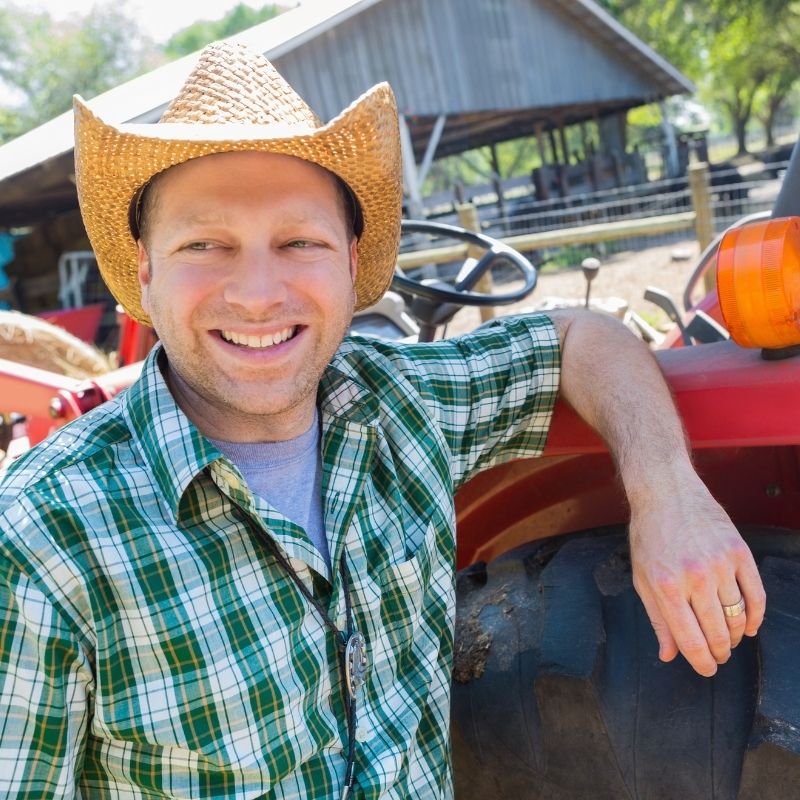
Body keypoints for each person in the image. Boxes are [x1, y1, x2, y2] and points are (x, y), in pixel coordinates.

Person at [0, 42, 764, 799]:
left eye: (300, 241)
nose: (260, 294)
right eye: (206, 244)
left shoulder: (404, 404)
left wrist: (667, 490)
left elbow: (581, 337)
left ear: (351, 257)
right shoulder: (42, 540)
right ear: (144, 266)